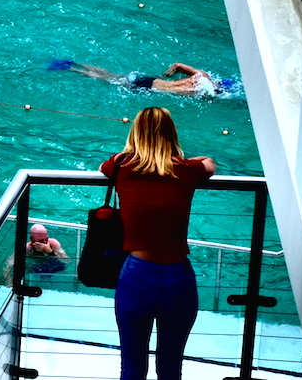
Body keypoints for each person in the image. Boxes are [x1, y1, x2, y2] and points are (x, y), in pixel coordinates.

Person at [100, 106, 216, 380]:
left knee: (132, 368)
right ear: (171, 134)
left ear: (136, 133)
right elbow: (210, 163)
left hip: (137, 276)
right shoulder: (188, 169)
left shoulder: (121, 165)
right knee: (170, 368)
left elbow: (104, 166)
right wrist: (182, 158)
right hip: (179, 279)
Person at [55, 60, 229, 97]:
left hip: (151, 80)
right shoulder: (200, 91)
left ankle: (77, 63)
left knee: (114, 75)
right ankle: (72, 69)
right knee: (108, 79)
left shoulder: (202, 76)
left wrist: (166, 75)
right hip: (147, 88)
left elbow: (177, 65)